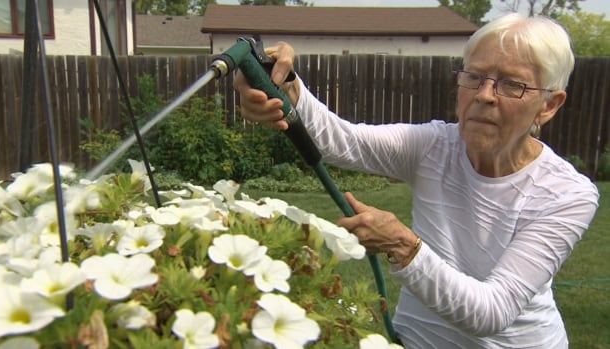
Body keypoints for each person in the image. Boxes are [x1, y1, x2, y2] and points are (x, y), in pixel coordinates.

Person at [233, 13, 599, 349]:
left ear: (549, 105)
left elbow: (493, 311)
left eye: (512, 85)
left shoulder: (567, 194)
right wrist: (285, 88)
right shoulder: (433, 147)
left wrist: (404, 247)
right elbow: (340, 141)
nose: (485, 96)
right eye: (474, 77)